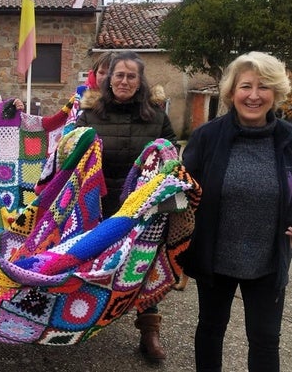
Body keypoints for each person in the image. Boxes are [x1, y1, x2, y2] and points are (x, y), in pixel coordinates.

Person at [182, 51, 292, 372]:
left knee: (265, 339)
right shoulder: (206, 137)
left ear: (277, 92)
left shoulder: (289, 139)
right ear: (231, 92)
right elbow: (182, 191)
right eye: (246, 86)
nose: (254, 96)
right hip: (214, 258)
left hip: (269, 261)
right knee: (211, 330)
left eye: (264, 87)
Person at [76, 51, 178, 361]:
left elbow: (172, 155)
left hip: (143, 209)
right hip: (100, 205)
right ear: (108, 80)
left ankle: (149, 331)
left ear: (140, 81)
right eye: (118, 75)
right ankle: (79, 319)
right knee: (92, 262)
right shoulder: (90, 115)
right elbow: (72, 157)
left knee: (144, 266)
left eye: (131, 76)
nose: (124, 80)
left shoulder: (157, 117)